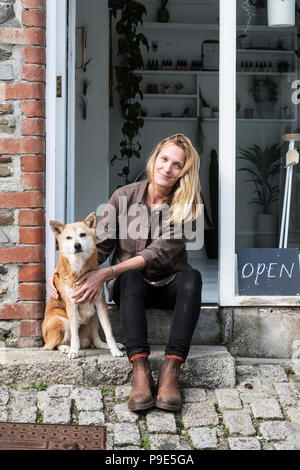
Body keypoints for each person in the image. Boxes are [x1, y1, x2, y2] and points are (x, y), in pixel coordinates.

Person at [49, 133, 203, 412]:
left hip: (169, 284)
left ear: (185, 172)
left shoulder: (187, 205)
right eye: (164, 159)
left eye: (177, 165)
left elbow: (157, 252)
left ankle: (171, 371)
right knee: (128, 276)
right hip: (132, 290)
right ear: (154, 159)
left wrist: (107, 273)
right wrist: (63, 271)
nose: (167, 168)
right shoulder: (123, 197)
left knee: (192, 278)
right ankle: (140, 370)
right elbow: (101, 246)